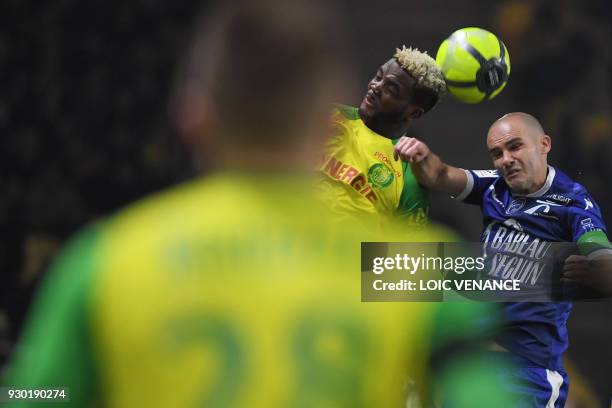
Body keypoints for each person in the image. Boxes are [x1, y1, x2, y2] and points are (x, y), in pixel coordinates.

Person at [2, 1, 515, 407]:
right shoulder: (422, 273)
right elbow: (532, 288)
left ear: (191, 118)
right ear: (323, 122)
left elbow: (37, 394)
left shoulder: (103, 264)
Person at [394, 112, 612, 407]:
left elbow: (601, 254)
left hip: (529, 368)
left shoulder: (573, 201)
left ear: (544, 144)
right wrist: (421, 155)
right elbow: (440, 175)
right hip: (474, 358)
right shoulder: (495, 186)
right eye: (496, 154)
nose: (505, 159)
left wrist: (598, 268)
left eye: (514, 147)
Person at [317, 46, 446, 230]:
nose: (375, 87)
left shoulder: (411, 174)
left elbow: (404, 251)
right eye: (378, 77)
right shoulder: (326, 118)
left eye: (391, 89)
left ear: (413, 112)